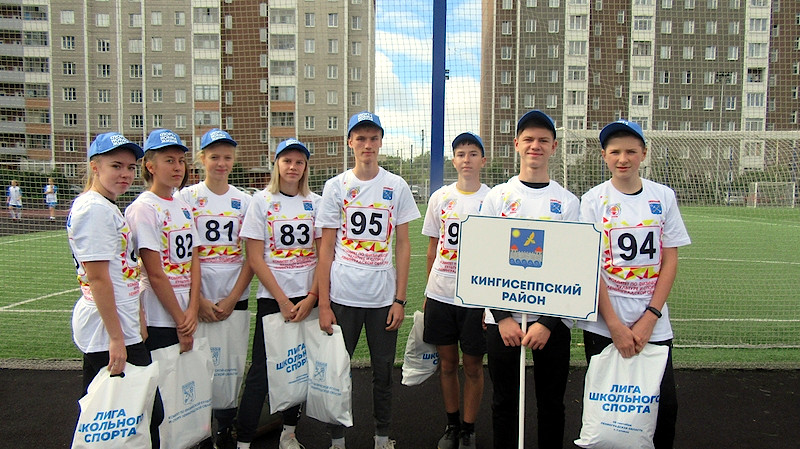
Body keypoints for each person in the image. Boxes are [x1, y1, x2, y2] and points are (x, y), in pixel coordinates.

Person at [576, 120, 691, 449]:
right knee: (608, 409)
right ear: (604, 155)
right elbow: (590, 265)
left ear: (644, 153)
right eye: (615, 151)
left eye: (630, 151)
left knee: (663, 407)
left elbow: (670, 259)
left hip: (653, 323)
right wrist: (614, 324)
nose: (623, 158)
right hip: (604, 324)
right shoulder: (593, 200)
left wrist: (650, 317)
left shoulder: (663, 196)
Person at [317, 111, 420, 449]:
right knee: (337, 370)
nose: (367, 144)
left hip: (381, 299)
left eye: (373, 138)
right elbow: (326, 248)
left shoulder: (396, 186)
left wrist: (400, 299)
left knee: (383, 372)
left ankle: (381, 437)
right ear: (350, 142)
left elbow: (403, 244)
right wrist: (324, 303)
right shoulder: (336, 186)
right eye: (360, 138)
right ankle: (337, 440)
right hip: (343, 297)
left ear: (380, 142)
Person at [480, 110, 578, 449]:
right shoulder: (497, 197)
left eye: (543, 140)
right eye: (529, 139)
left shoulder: (567, 203)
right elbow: (483, 260)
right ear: (516, 144)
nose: (535, 145)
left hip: (552, 323)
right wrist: (502, 317)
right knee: (504, 401)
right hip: (504, 321)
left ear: (553, 147)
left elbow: (572, 267)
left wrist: (547, 322)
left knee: (551, 403)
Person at [67, 132, 163, 446]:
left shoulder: (104, 206)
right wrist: (117, 339)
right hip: (107, 327)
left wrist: (136, 317)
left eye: (130, 167)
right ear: (95, 167)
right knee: (138, 413)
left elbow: (122, 271)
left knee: (112, 412)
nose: (125, 174)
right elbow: (98, 279)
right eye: (116, 166)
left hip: (119, 322)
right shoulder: (94, 209)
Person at [236, 138, 321, 449]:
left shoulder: (316, 202)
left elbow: (323, 255)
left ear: (305, 167)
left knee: (298, 368)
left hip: (307, 298)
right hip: (274, 300)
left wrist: (311, 297)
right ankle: (243, 441)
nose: (293, 167)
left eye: (299, 162)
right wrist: (282, 300)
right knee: (261, 370)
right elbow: (255, 258)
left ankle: (289, 433)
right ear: (277, 164)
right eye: (287, 161)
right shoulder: (261, 201)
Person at [176, 128, 254, 449]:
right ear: (202, 159)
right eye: (214, 157)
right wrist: (198, 300)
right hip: (196, 302)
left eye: (227, 157)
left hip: (234, 301)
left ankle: (225, 428)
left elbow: (253, 257)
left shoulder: (245, 201)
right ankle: (198, 432)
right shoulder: (185, 198)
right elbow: (180, 256)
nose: (221, 163)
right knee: (195, 367)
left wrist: (233, 297)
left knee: (230, 368)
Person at [421, 132, 490, 449]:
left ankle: (469, 429)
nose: (467, 159)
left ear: (483, 160)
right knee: (447, 364)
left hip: (476, 298)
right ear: (453, 160)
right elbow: (432, 250)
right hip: (441, 294)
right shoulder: (440, 197)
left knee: (473, 366)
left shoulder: (493, 199)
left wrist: (491, 302)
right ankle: (452, 425)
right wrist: (428, 291)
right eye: (461, 154)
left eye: (473, 153)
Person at [125, 129, 200, 354]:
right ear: (150, 166)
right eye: (169, 161)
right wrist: (180, 320)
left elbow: (194, 260)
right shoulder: (144, 208)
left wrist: (193, 307)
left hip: (187, 312)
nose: (178, 167)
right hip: (159, 315)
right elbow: (154, 273)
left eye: (181, 161)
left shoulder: (183, 206)